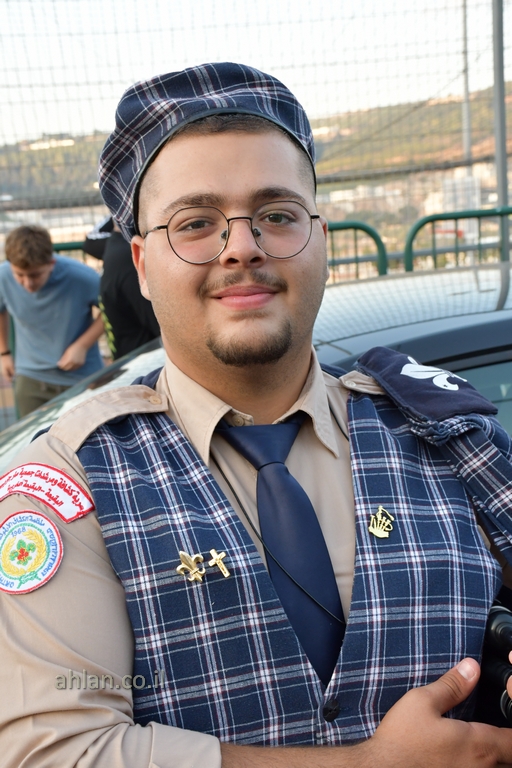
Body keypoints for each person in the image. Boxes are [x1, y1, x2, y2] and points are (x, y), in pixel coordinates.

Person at [1, 63, 512, 768]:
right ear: (142, 265)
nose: (242, 246)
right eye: (196, 223)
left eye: (276, 215)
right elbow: (55, 752)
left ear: (321, 239)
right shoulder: (72, 482)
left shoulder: (449, 437)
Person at [0, 225, 104, 416]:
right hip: (30, 378)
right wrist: (4, 353)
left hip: (82, 377)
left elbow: (111, 309)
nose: (27, 284)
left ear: (51, 263)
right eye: (19, 275)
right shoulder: (3, 276)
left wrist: (82, 345)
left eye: (35, 275)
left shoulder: (82, 277)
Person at [83, 216, 160, 359]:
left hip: (134, 359)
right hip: (147, 361)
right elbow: (166, 330)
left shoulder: (116, 247)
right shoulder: (128, 258)